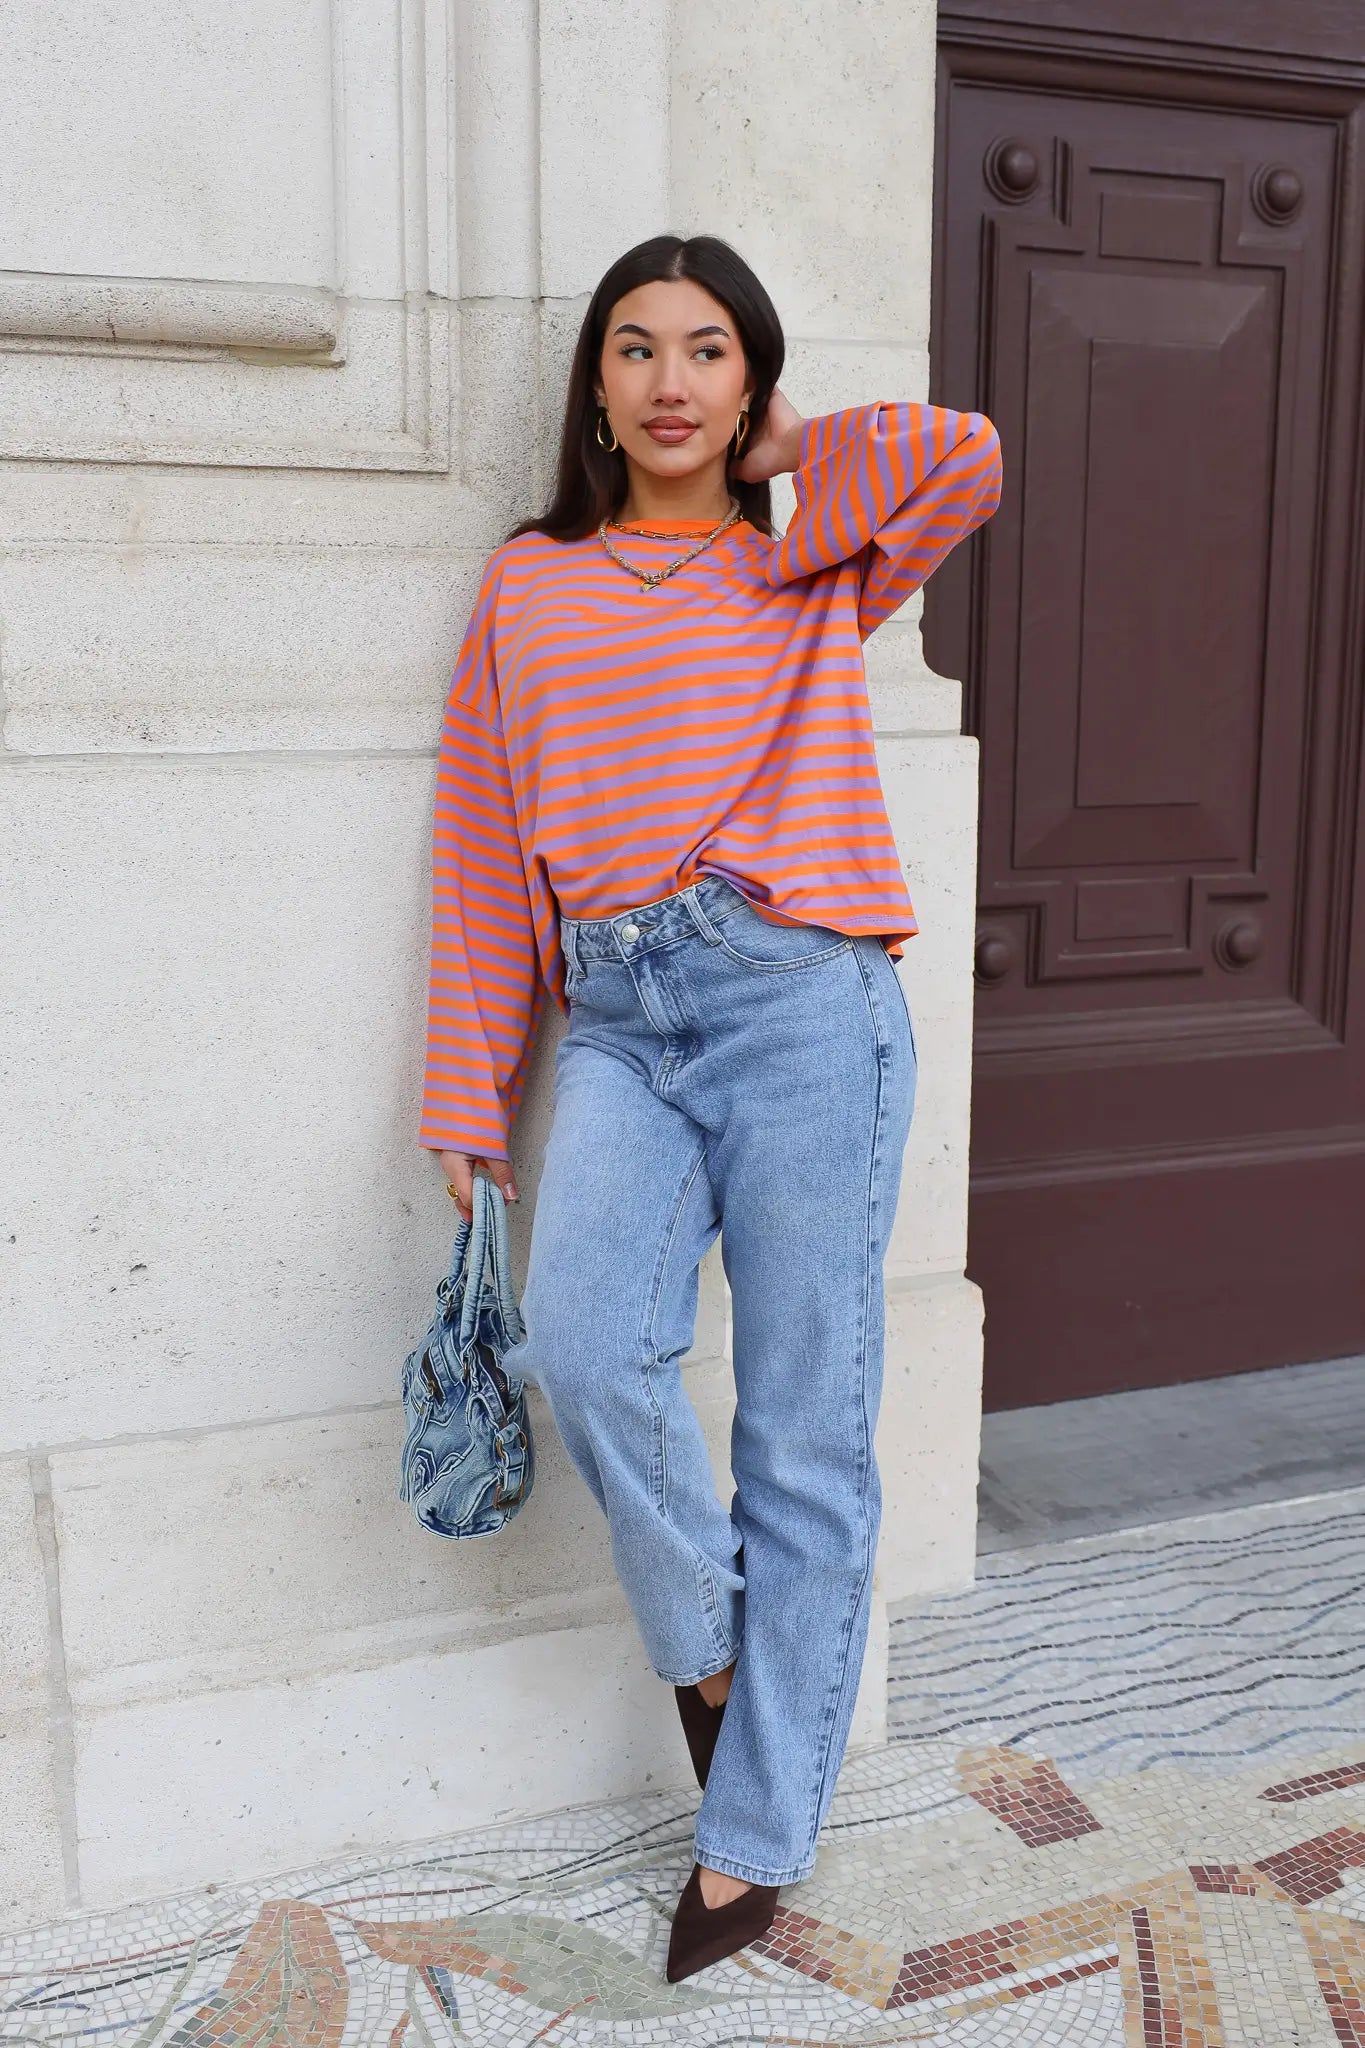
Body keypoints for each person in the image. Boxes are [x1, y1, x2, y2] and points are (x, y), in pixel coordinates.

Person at [419, 231, 1002, 1981]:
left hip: (796, 1002)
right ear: (592, 386)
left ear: (747, 380)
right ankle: (724, 1647)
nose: (668, 381)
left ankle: (752, 1836)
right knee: (586, 1342)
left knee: (804, 1429)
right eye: (633, 349)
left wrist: (783, 461)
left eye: (705, 351)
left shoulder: (806, 562)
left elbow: (958, 455)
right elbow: (470, 855)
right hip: (613, 1021)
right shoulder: (527, 588)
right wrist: (468, 1097)